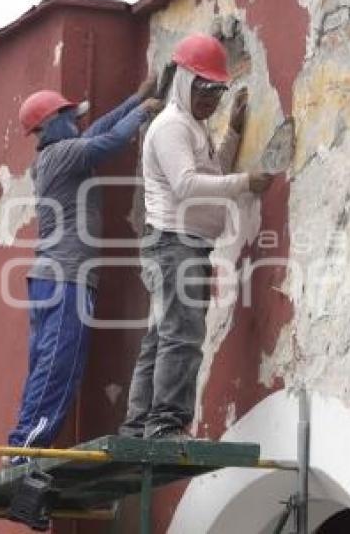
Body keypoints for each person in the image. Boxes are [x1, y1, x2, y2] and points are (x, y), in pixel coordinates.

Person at [120, 33, 274, 440]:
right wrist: (246, 183)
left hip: (181, 245)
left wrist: (234, 134)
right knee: (182, 335)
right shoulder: (172, 127)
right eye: (204, 89)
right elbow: (187, 185)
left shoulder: (192, 127)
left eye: (218, 91)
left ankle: (139, 425)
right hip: (175, 243)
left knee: (163, 335)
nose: (211, 99)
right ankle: (166, 424)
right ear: (184, 81)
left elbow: (211, 174)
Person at [6, 77, 164, 461]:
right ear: (48, 126)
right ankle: (25, 448)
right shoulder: (62, 154)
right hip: (66, 279)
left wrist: (137, 96)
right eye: (69, 117)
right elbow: (108, 141)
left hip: (55, 279)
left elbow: (98, 129)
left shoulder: (60, 153)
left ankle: (22, 443)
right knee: (59, 366)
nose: (76, 122)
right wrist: (143, 113)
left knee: (49, 364)